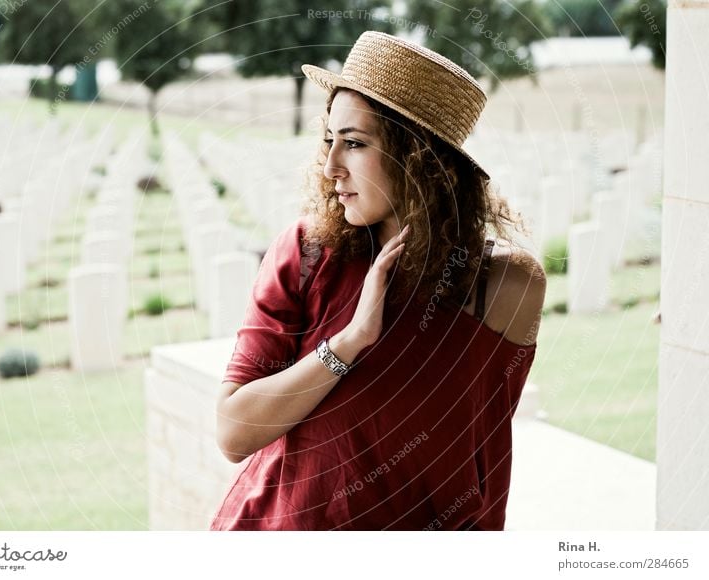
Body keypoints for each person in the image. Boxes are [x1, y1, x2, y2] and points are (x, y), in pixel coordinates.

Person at [210, 31, 546, 530]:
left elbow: (482, 446)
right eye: (330, 139)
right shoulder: (304, 254)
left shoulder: (507, 285)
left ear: (421, 159)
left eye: (354, 143)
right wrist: (347, 344)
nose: (330, 167)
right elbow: (234, 432)